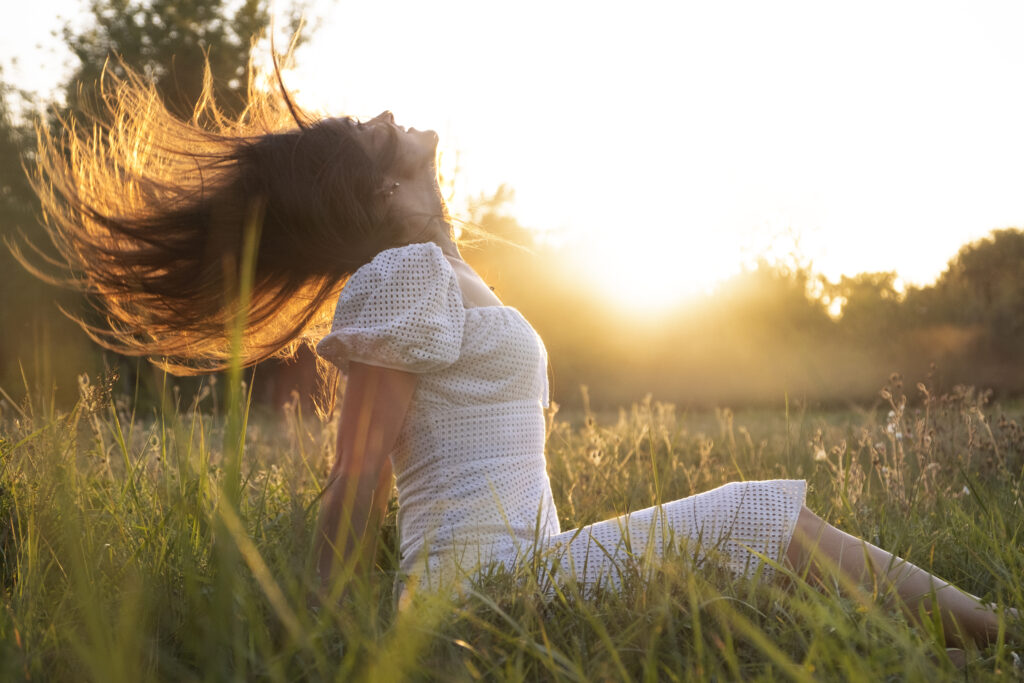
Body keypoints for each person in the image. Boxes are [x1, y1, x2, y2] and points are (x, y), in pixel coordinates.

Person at [27, 65, 1015, 653]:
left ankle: (969, 635)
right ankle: (999, 632)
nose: (388, 115)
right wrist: (330, 639)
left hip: (527, 567)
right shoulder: (405, 273)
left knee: (755, 547)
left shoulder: (444, 269)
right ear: (380, 195)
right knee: (763, 513)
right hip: (483, 586)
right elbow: (357, 474)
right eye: (371, 135)